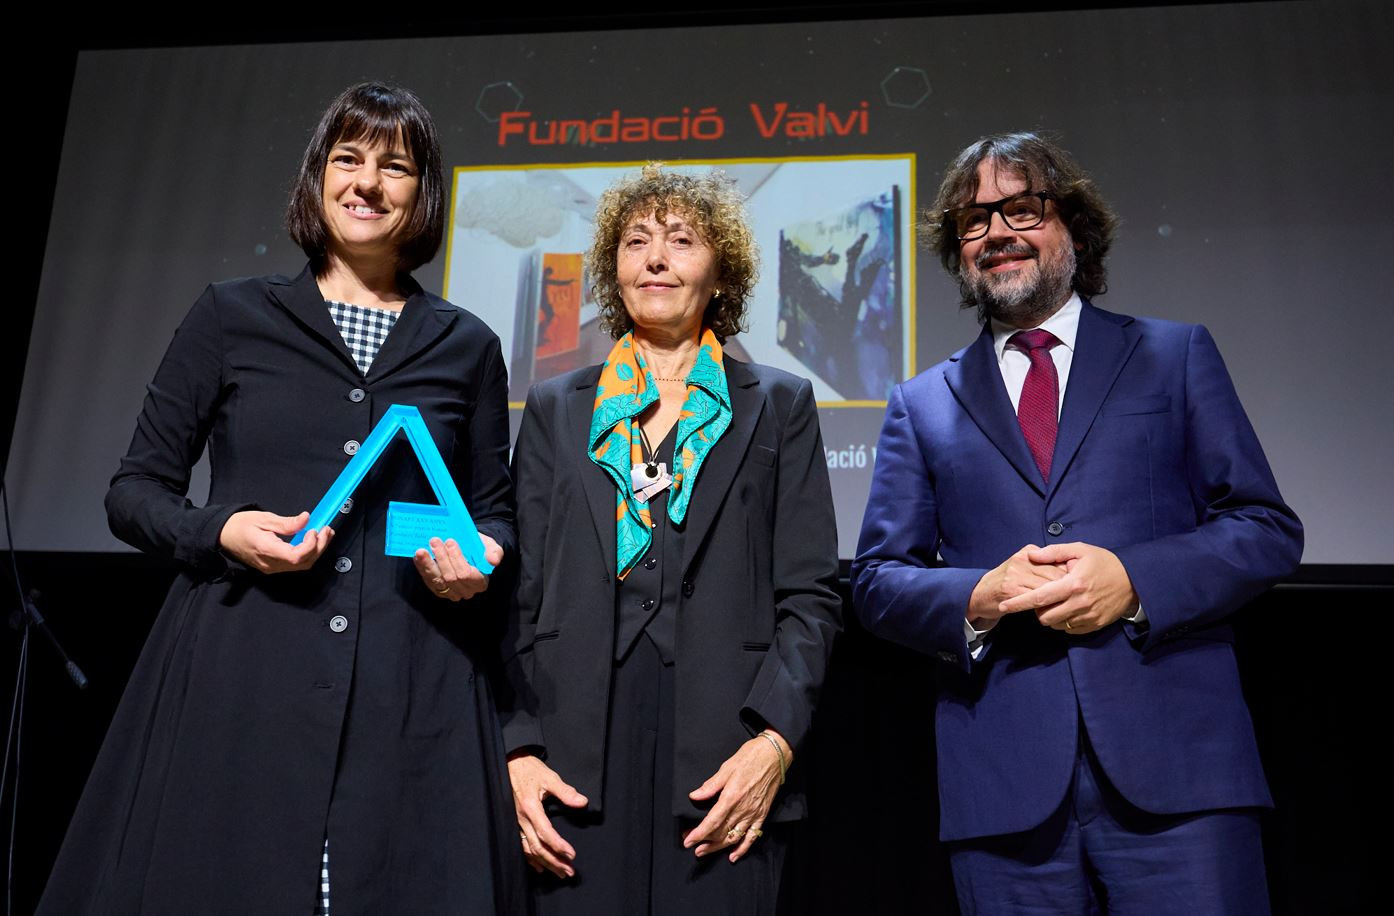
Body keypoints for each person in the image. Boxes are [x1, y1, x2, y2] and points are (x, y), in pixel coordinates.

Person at [38, 83, 522, 915]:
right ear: (317, 176)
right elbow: (134, 491)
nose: (366, 183)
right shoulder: (232, 316)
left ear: (423, 192)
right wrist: (222, 530)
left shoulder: (466, 344)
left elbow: (494, 510)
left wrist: (484, 555)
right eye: (348, 159)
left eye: (395, 167)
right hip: (242, 673)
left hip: (411, 682)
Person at [852, 132, 1303, 914]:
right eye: (973, 220)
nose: (996, 232)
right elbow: (878, 582)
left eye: (1021, 209)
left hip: (1182, 775)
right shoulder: (920, 405)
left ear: (1077, 229)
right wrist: (980, 596)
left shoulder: (1173, 354)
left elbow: (1264, 526)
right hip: (1004, 790)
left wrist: (1134, 581)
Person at [500, 164, 842, 914]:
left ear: (721, 272)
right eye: (635, 242)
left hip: (727, 759)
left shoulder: (780, 403)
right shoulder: (556, 407)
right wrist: (517, 747)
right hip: (573, 756)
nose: (655, 259)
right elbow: (517, 594)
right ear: (613, 269)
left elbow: (811, 596)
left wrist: (774, 743)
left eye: (681, 240)